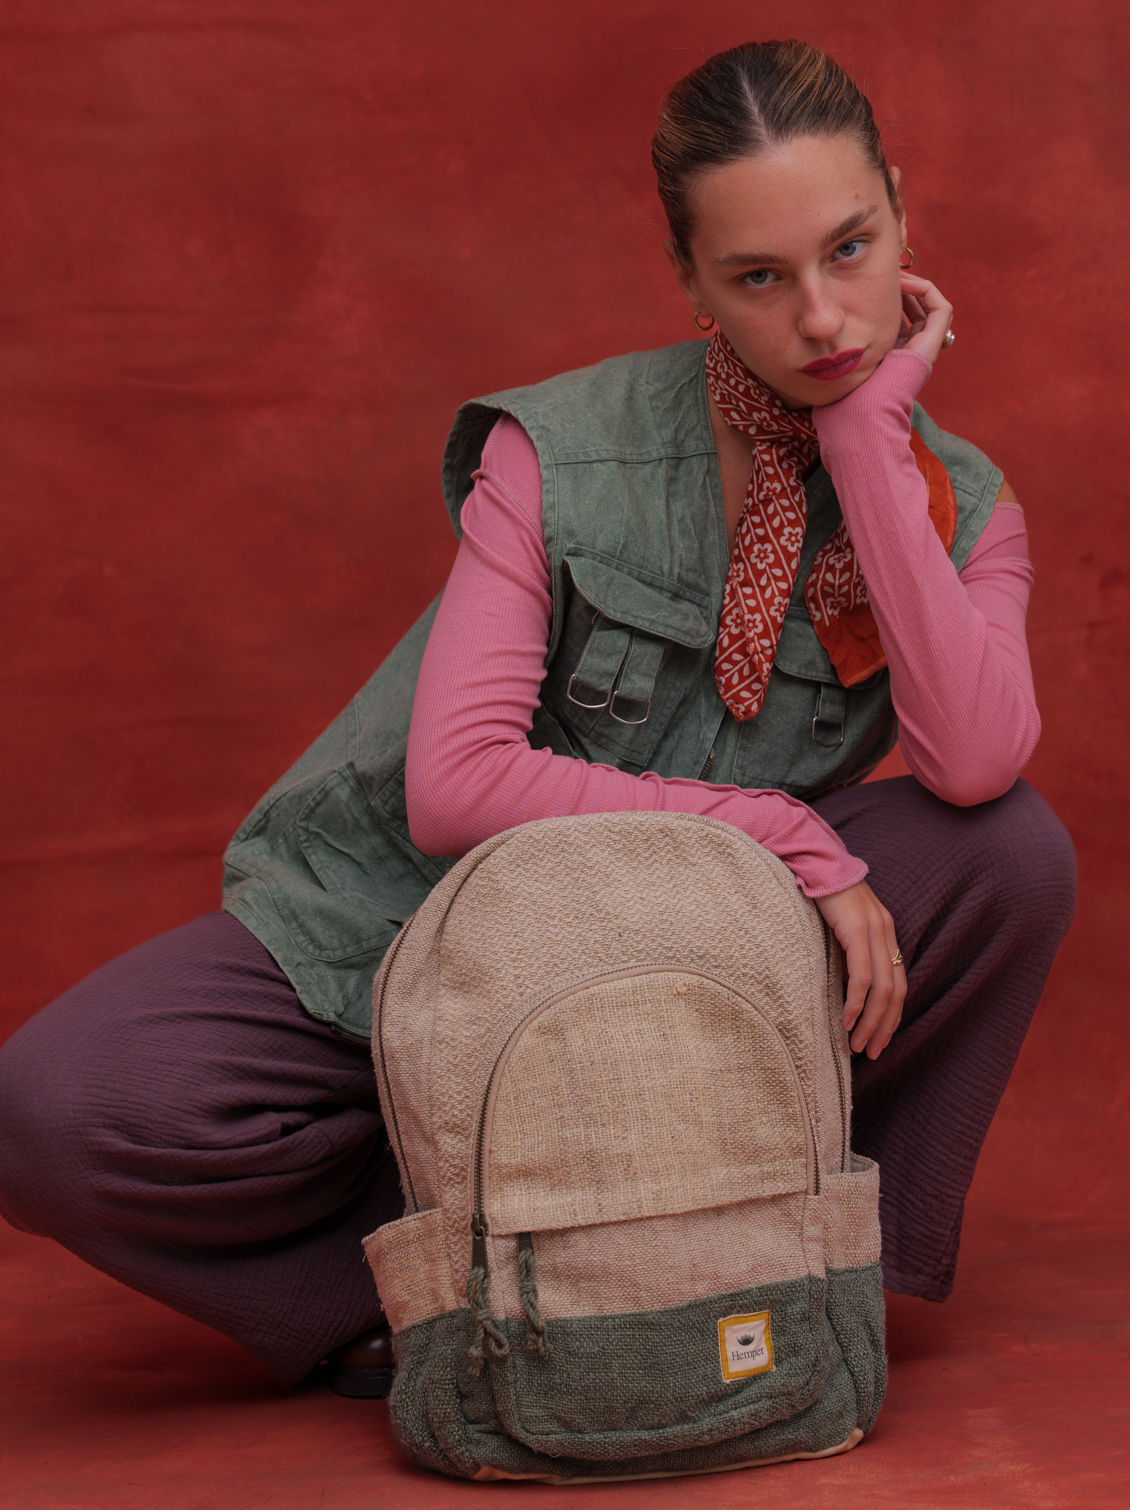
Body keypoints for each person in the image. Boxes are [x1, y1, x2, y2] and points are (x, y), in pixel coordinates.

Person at [0, 40, 1076, 1399]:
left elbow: (973, 760)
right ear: (689, 277)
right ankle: (429, 1295)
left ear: (902, 216)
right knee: (51, 1107)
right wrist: (779, 829)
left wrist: (865, 446)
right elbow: (456, 786)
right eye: (757, 275)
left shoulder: (965, 507)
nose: (822, 318)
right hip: (415, 927)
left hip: (691, 968)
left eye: (850, 249)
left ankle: (783, 1254)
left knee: (1008, 850)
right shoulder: (558, 450)